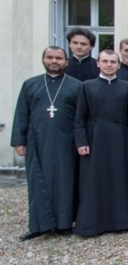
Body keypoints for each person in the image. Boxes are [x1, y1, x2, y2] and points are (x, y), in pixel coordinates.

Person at [11, 47, 82, 241]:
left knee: (66, 181)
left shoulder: (76, 86)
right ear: (43, 60)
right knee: (37, 182)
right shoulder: (30, 85)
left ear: (66, 62)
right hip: (37, 141)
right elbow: (21, 114)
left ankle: (65, 224)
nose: (54, 61)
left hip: (67, 142)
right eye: (50, 57)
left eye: (58, 58)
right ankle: (38, 225)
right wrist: (19, 140)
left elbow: (80, 117)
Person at [74, 50, 128, 236]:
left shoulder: (126, 86)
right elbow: (80, 118)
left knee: (119, 179)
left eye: (113, 62)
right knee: (94, 180)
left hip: (120, 136)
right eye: (105, 61)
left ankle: (121, 221)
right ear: (98, 64)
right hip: (95, 137)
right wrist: (81, 141)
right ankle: (93, 223)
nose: (109, 65)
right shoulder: (87, 86)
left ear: (118, 65)